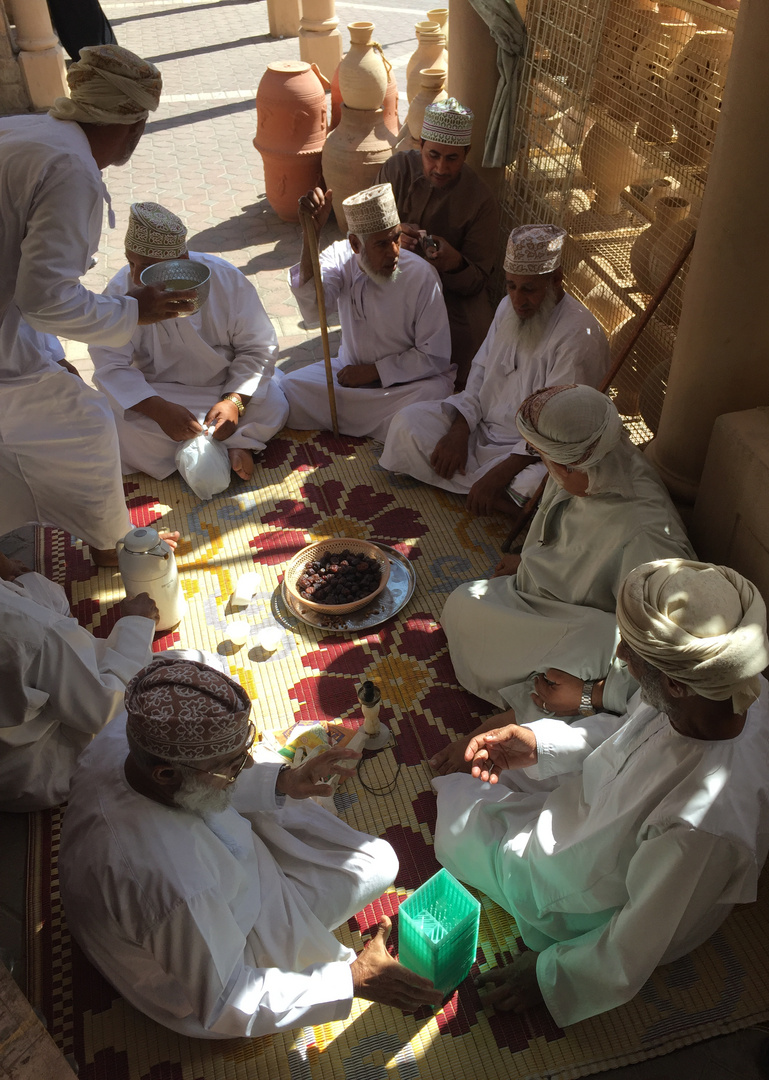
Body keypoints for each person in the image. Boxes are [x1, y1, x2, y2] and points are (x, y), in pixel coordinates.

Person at [433, 559, 769, 1027]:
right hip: (598, 814)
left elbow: (639, 937)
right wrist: (539, 745)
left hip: (592, 890)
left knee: (456, 818)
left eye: (633, 652)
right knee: (502, 768)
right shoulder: (724, 688)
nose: (621, 656)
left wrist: (551, 976)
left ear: (676, 683)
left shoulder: (701, 825)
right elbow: (630, 736)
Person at [59, 657, 443, 1038]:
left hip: (218, 861)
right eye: (230, 764)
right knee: (376, 866)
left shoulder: (128, 735)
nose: (244, 768)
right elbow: (227, 1001)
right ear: (166, 773)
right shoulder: (173, 885)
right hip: (209, 955)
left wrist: (283, 782)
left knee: (370, 859)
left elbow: (206, 781)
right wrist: (350, 980)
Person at [0, 45, 193, 568]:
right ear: (133, 123)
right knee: (86, 423)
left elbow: (20, 273)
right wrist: (135, 313)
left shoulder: (26, 132)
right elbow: (42, 297)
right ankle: (117, 549)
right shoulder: (70, 167)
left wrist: (40, 349)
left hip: (11, 336)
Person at [438, 385, 694, 716]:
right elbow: (557, 535)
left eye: (541, 456)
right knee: (463, 601)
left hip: (590, 631)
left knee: (574, 662)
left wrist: (598, 693)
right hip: (548, 601)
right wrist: (526, 563)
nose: (544, 465)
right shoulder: (592, 463)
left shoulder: (646, 532)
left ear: (568, 465)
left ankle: (545, 705)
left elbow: (667, 645)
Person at [380, 225, 610, 517]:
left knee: (539, 485)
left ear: (555, 280)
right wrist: (460, 430)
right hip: (482, 430)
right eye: (511, 286)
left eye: (529, 289)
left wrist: (500, 473)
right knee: (406, 423)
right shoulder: (507, 308)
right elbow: (479, 374)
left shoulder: (578, 336)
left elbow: (560, 432)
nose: (518, 300)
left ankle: (502, 498)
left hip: (535, 453)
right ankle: (504, 505)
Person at [90, 203, 289, 483]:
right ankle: (233, 444)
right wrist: (158, 410)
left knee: (275, 402)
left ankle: (209, 449)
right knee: (109, 423)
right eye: (131, 263)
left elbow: (259, 348)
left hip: (222, 388)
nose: (135, 277)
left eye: (146, 268)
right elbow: (109, 363)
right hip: (158, 396)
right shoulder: (120, 291)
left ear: (181, 260)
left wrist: (234, 402)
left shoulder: (226, 279)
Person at [281, 183, 454, 441]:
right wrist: (311, 236)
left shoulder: (421, 275)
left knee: (432, 397)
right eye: (382, 244)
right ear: (355, 244)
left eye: (396, 238)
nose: (394, 251)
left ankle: (388, 426)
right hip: (349, 378)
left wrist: (373, 372)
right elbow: (315, 308)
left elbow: (435, 356)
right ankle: (386, 429)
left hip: (407, 385)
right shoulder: (339, 258)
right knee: (288, 389)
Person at [0, 549, 157, 812]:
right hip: (41, 768)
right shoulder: (31, 629)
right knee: (177, 675)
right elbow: (108, 710)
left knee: (37, 591)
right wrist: (137, 624)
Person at [376, 98, 498, 387]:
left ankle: (457, 397)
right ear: (420, 145)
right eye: (433, 155)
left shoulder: (481, 200)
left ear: (466, 154)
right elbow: (361, 229)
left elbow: (479, 277)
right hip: (389, 274)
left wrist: (453, 263)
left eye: (452, 159)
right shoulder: (395, 171)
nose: (441, 168)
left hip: (447, 290)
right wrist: (392, 235)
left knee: (477, 331)